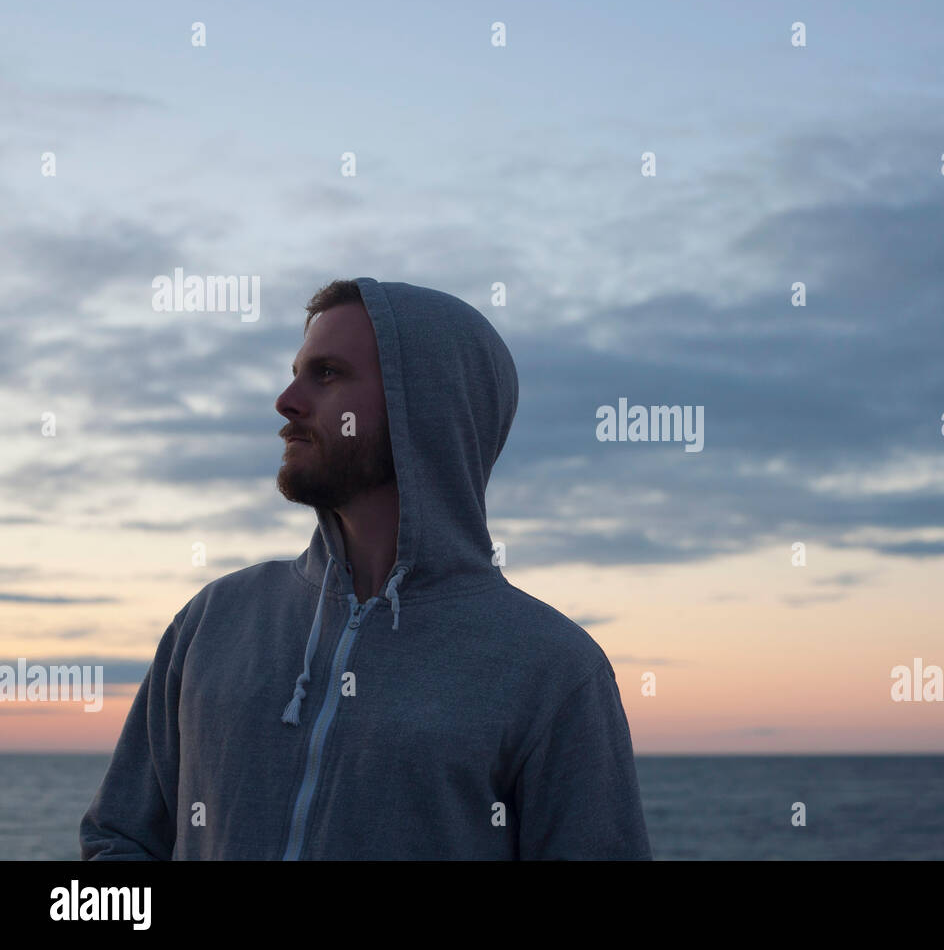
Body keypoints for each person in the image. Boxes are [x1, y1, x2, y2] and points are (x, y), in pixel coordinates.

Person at [80, 278, 653, 860]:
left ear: (423, 405)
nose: (287, 399)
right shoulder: (215, 620)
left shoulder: (551, 668)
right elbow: (120, 838)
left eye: (326, 374)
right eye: (297, 370)